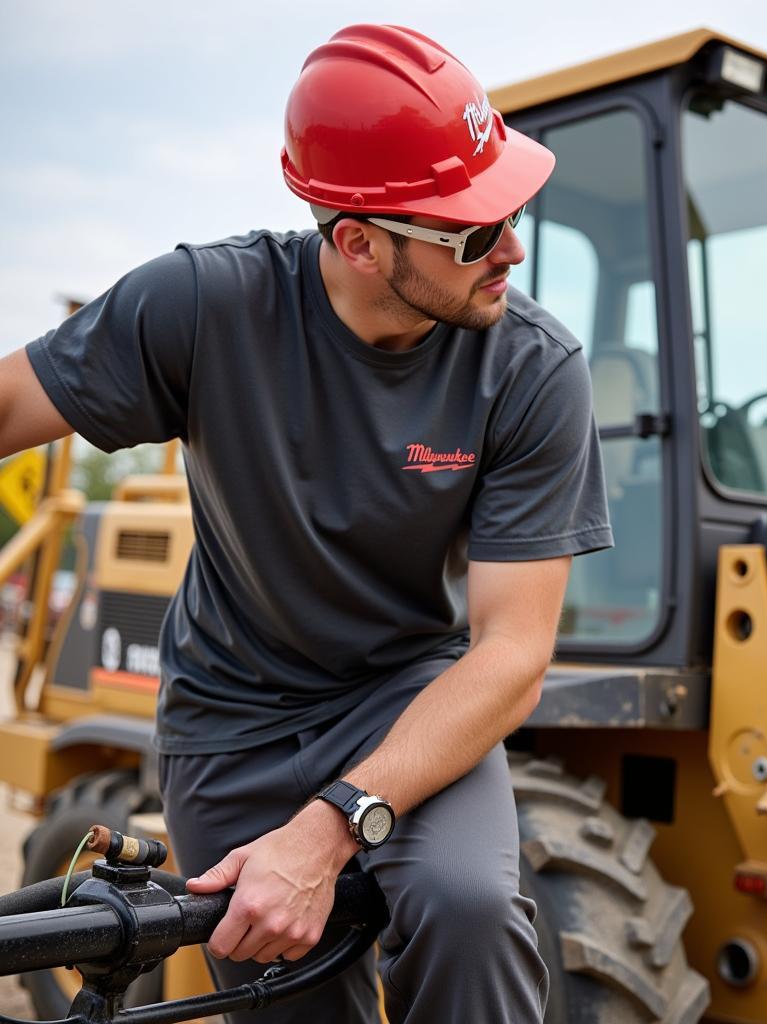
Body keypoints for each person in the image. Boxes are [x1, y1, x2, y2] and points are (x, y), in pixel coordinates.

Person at [0, 23, 611, 1024]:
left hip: (406, 695)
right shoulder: (207, 306)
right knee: (288, 1000)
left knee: (468, 909)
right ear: (358, 241)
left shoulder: (533, 370)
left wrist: (327, 831)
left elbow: (511, 653)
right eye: (470, 230)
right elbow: (11, 405)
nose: (511, 248)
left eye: (510, 208)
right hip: (230, 720)